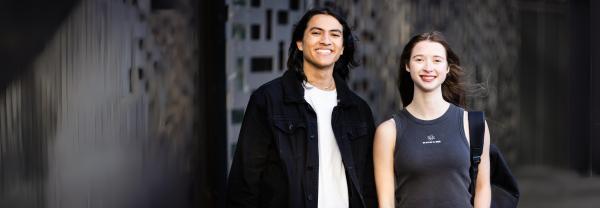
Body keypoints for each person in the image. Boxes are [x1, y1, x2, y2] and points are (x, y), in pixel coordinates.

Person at [227, 7, 377, 208]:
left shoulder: (358, 110)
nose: (325, 40)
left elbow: (368, 184)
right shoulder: (268, 100)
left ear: (341, 48)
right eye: (316, 33)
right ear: (300, 43)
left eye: (335, 34)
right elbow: (245, 181)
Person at [373, 31, 492, 208]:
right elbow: (386, 202)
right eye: (419, 59)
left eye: (437, 60)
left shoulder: (473, 124)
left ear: (447, 68)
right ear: (407, 65)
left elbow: (482, 188)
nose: (428, 67)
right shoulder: (388, 131)